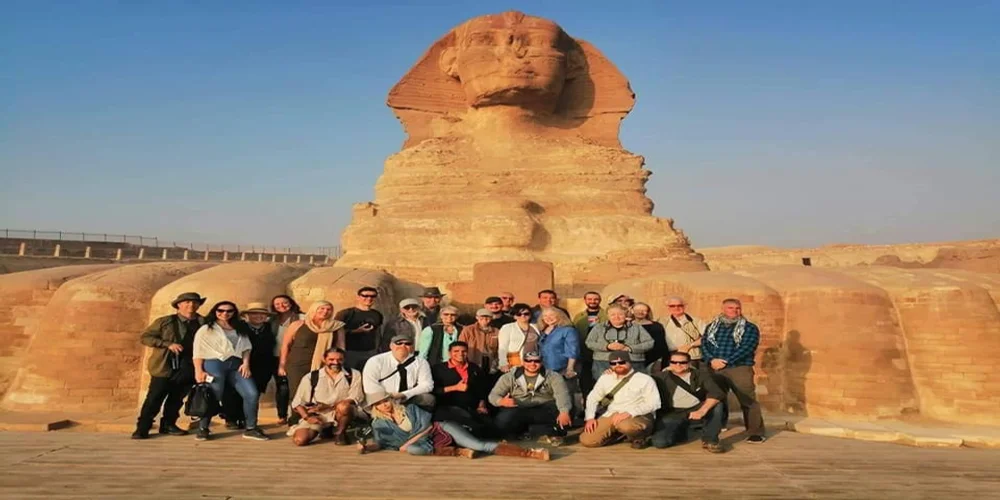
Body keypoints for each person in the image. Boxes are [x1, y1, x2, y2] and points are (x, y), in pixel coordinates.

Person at [359, 392, 549, 460]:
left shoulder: (410, 408)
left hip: (439, 429)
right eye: (380, 403)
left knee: (478, 445)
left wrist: (407, 444)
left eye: (387, 400)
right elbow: (380, 442)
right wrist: (366, 447)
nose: (385, 404)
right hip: (423, 443)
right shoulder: (379, 423)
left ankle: (531, 453)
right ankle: (457, 452)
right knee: (414, 450)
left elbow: (426, 425)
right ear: (375, 407)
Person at [133, 292, 205, 439]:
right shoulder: (165, 322)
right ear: (178, 305)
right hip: (164, 365)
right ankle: (142, 428)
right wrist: (167, 344)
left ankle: (168, 425)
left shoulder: (203, 322)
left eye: (195, 303)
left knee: (176, 399)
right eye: (187, 302)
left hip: (188, 366)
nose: (191, 305)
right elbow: (146, 337)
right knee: (154, 398)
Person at [192, 301, 268, 441]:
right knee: (212, 395)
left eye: (229, 311)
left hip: (236, 364)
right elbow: (198, 351)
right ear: (215, 311)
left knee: (252, 393)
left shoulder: (238, 327)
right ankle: (203, 428)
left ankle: (251, 427)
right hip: (214, 362)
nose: (224, 313)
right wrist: (198, 371)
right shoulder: (206, 329)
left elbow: (246, 347)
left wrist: (246, 364)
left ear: (234, 312)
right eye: (220, 310)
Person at [702, 298, 766, 444]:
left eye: (737, 308)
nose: (735, 311)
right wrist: (711, 360)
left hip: (739, 367)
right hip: (715, 366)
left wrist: (726, 361)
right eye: (731, 308)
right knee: (716, 398)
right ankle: (716, 428)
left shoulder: (749, 328)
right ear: (723, 309)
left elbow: (747, 347)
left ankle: (755, 432)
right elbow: (705, 344)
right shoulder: (713, 326)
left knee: (747, 399)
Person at [279, 300, 345, 423]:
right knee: (296, 391)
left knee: (316, 391)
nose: (325, 312)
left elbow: (340, 347)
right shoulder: (298, 325)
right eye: (321, 309)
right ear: (313, 309)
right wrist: (282, 365)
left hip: (323, 364)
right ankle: (296, 418)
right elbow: (285, 346)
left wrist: (337, 364)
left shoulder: (336, 327)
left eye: (328, 309)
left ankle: (315, 418)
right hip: (297, 363)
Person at [488, 351, 573, 446]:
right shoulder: (509, 377)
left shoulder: (553, 376)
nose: (532, 364)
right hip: (519, 408)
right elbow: (493, 395)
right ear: (523, 362)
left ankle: (552, 434)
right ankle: (521, 433)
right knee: (501, 421)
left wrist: (564, 411)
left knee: (565, 415)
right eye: (528, 361)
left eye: (536, 361)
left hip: (544, 408)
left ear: (541, 362)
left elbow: (562, 395)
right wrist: (501, 401)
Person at [580, 351, 660, 449]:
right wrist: (590, 418)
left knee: (625, 425)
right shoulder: (605, 378)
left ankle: (640, 437)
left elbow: (654, 403)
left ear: (629, 362)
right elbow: (592, 397)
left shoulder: (644, 379)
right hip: (612, 413)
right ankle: (620, 436)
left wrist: (629, 413)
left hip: (637, 414)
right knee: (587, 440)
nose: (618, 365)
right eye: (613, 363)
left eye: (622, 362)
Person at [650, 351, 726, 453]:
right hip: (672, 412)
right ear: (669, 363)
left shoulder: (701, 375)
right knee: (660, 443)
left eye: (682, 362)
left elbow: (716, 393)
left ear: (689, 363)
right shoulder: (660, 377)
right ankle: (681, 432)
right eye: (674, 362)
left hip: (695, 407)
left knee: (717, 405)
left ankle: (710, 440)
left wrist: (702, 411)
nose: (678, 365)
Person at [287, 348, 364, 446]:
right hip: (319, 415)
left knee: (344, 406)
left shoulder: (353, 374)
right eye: (331, 360)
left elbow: (356, 397)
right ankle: (326, 430)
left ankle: (340, 433)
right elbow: (297, 402)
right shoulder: (311, 377)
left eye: (339, 359)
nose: (335, 362)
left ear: (344, 360)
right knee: (300, 440)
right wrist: (307, 417)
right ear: (324, 359)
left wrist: (328, 406)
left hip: (340, 413)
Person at [221, 302, 277, 429]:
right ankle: (231, 418)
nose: (258, 316)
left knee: (254, 392)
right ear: (247, 315)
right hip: (242, 364)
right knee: (235, 392)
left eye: (262, 314)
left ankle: (246, 418)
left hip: (263, 366)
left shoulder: (268, 328)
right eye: (254, 313)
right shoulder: (239, 327)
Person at [431, 341, 493, 436]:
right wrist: (455, 387)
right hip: (449, 408)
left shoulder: (474, 368)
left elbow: (482, 389)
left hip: (472, 408)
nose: (460, 354)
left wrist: (481, 405)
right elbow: (433, 391)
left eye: (464, 351)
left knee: (492, 427)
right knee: (473, 428)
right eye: (456, 351)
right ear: (449, 353)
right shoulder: (438, 369)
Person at [362, 334, 435, 410]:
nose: (403, 346)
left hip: (407, 397)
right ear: (391, 346)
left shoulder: (421, 362)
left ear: (412, 347)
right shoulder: (375, 361)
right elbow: (370, 386)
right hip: (382, 399)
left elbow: (427, 385)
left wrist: (404, 394)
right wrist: (388, 398)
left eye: (407, 344)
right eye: (399, 343)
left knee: (428, 399)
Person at [585, 305, 654, 378]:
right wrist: (607, 347)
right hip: (603, 363)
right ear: (608, 316)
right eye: (613, 315)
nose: (617, 317)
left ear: (626, 315)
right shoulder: (598, 327)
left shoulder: (636, 327)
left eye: (620, 314)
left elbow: (649, 343)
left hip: (633, 362)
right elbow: (589, 342)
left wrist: (629, 348)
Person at [269, 295, 304, 424]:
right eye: (277, 304)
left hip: (295, 357)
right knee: (282, 387)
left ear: (291, 303)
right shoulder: (272, 320)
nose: (281, 306)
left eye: (284, 302)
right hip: (275, 357)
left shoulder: (302, 318)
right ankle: (282, 415)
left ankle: (297, 414)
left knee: (296, 386)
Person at [335, 287, 385, 371]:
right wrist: (356, 331)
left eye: (372, 296)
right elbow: (336, 334)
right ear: (358, 297)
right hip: (350, 352)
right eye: (365, 296)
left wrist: (378, 349)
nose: (369, 298)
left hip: (371, 352)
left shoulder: (377, 314)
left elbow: (378, 333)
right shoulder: (346, 314)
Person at [572, 291, 606, 400]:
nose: (592, 301)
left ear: (599, 300)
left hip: (602, 353)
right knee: (585, 381)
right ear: (585, 300)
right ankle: (587, 406)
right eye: (590, 299)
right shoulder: (579, 316)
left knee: (601, 380)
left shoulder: (606, 315)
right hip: (584, 353)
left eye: (595, 299)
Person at [663, 296, 706, 370]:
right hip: (670, 357)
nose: (676, 308)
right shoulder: (662, 321)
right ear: (668, 308)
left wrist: (689, 346)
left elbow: (708, 337)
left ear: (684, 306)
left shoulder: (695, 321)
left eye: (679, 305)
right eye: (672, 306)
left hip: (691, 357)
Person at [497, 303, 540, 372]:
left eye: (526, 313)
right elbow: (502, 347)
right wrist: (503, 363)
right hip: (515, 361)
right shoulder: (507, 327)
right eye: (519, 314)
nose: (523, 316)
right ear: (514, 316)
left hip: (533, 361)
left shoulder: (535, 327)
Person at [458, 308, 500, 376]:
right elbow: (461, 346)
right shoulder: (468, 330)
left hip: (490, 362)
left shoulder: (496, 331)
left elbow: (499, 348)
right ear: (477, 317)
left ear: (491, 318)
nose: (484, 319)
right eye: (481, 317)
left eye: (487, 317)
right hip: (473, 361)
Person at [632, 302, 667, 370]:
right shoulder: (627, 325)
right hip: (633, 359)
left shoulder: (656, 326)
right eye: (637, 310)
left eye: (643, 310)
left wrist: (660, 360)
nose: (640, 312)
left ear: (647, 312)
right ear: (632, 311)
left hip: (653, 360)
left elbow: (661, 345)